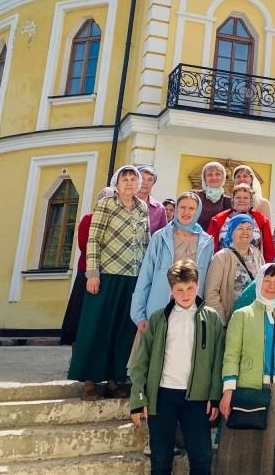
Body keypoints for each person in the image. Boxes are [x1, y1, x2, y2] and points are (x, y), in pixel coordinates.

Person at [129, 259, 223, 475]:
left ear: (197, 286)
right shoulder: (159, 318)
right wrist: (138, 399)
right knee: (161, 461)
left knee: (201, 460)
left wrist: (214, 396)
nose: (186, 294)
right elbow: (141, 361)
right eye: (179, 289)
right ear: (171, 290)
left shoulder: (211, 318)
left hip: (197, 400)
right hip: (162, 396)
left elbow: (218, 360)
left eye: (190, 288)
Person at [68, 166, 150, 400]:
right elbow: (93, 238)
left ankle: (115, 380)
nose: (129, 183)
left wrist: (147, 276)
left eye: (133, 179)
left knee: (124, 329)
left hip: (133, 276)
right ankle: (89, 381)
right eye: (124, 178)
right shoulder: (106, 204)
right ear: (117, 182)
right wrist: (92, 273)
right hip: (106, 275)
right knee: (97, 326)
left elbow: (146, 241)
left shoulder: (142, 207)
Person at [217, 263, 275, 475]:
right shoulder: (242, 315)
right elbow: (231, 354)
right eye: (267, 280)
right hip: (248, 390)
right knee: (243, 448)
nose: (272, 285)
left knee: (270, 448)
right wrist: (228, 392)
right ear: (259, 282)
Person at [131, 191, 214, 337]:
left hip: (190, 312)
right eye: (182, 207)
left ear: (198, 211)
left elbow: (207, 281)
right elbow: (146, 275)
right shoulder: (160, 237)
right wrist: (138, 315)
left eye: (191, 208)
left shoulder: (207, 242)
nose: (186, 212)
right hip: (158, 309)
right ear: (176, 209)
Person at [60, 187, 116, 346]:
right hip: (88, 271)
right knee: (82, 313)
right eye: (104, 199)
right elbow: (85, 244)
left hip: (108, 272)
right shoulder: (88, 219)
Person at [205, 214, 265, 326]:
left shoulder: (257, 254)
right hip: (230, 321)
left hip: (254, 320)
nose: (245, 232)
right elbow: (211, 293)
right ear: (231, 231)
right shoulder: (222, 257)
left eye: (249, 228)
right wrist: (222, 323)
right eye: (240, 228)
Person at [207, 183, 275, 258]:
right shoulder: (218, 220)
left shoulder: (261, 220)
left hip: (252, 266)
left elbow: (269, 249)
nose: (241, 200)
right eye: (238, 197)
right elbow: (208, 248)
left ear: (250, 200)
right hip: (224, 264)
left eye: (245, 197)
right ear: (232, 199)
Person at [194, 161, 231, 231]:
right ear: (204, 178)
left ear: (223, 177)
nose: (214, 177)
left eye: (217, 174)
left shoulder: (228, 200)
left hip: (218, 240)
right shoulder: (195, 196)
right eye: (209, 174)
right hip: (196, 238)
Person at [137, 165, 168, 235]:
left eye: (150, 180)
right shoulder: (124, 201)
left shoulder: (160, 209)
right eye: (142, 178)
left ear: (153, 183)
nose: (145, 182)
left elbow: (162, 235)